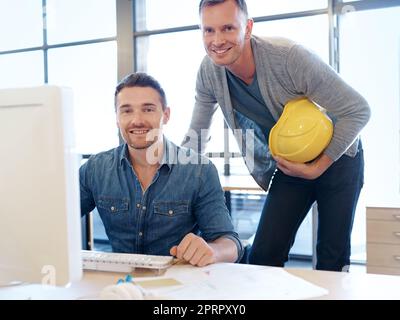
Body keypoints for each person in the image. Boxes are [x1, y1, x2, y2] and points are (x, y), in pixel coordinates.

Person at [183, 0, 370, 271]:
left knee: (332, 258)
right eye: (208, 30)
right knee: (263, 255)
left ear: (247, 28)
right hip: (291, 164)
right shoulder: (209, 72)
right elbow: (197, 136)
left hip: (339, 158)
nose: (217, 40)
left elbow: (358, 110)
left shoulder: (288, 58)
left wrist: (318, 167)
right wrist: (170, 175)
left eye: (227, 28)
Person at [80, 72, 243, 267]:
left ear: (166, 115)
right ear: (117, 118)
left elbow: (231, 244)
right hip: (121, 286)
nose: (137, 120)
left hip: (179, 285)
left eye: (148, 109)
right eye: (126, 111)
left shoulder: (199, 170)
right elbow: (56, 221)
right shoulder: (95, 169)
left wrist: (212, 251)